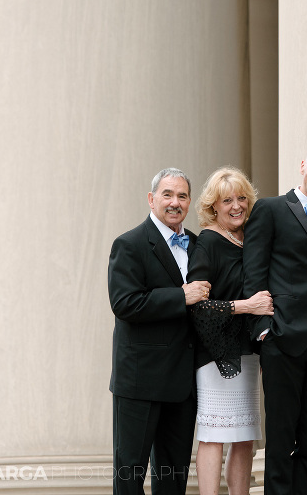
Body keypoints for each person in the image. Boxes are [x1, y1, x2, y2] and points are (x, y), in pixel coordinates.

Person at [242, 143, 307, 495]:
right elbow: (254, 272)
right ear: (302, 164)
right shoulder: (269, 209)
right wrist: (265, 330)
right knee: (281, 440)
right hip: (282, 339)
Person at [108, 167, 211, 495]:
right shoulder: (129, 244)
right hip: (140, 381)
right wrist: (182, 295)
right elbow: (125, 303)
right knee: (129, 476)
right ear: (152, 199)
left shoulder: (197, 245)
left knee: (173, 479)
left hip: (182, 384)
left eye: (182, 196)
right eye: (167, 194)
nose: (175, 202)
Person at [186, 167, 274, 495]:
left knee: (244, 434)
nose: (236, 206)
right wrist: (245, 306)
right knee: (213, 433)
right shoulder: (208, 242)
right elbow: (198, 307)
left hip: (247, 351)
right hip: (215, 354)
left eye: (241, 198)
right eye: (227, 201)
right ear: (214, 207)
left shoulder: (249, 238)